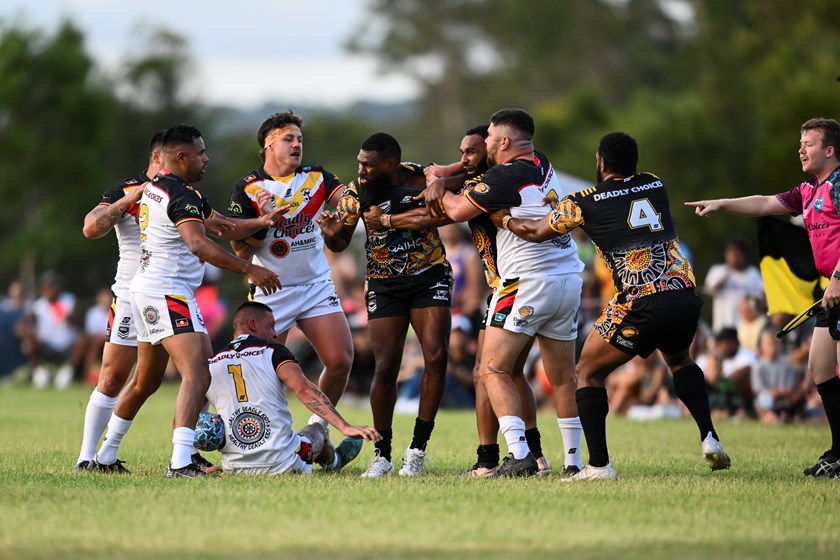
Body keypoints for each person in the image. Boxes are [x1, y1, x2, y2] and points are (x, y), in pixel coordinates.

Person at [494, 131, 730, 480]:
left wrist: (503, 219)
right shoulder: (654, 183)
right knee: (680, 359)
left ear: (601, 162)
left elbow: (534, 231)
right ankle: (709, 437)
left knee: (587, 371)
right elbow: (623, 209)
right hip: (683, 292)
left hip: (641, 299)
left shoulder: (582, 201)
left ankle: (599, 465)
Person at [363, 124, 580, 477]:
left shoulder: (494, 182)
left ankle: (497, 458)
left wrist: (388, 217)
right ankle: (541, 457)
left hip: (513, 284)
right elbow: (459, 172)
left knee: (487, 371)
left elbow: (444, 213)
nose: (463, 158)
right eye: (461, 151)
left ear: (497, 148)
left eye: (473, 151)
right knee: (513, 373)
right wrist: (442, 173)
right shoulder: (533, 164)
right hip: (552, 279)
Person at [92, 124, 285, 478]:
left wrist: (261, 221)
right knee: (198, 373)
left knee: (146, 381)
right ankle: (181, 461)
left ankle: (104, 455)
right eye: (201, 153)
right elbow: (198, 243)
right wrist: (249, 268)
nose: (206, 159)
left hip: (150, 289)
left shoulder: (158, 188)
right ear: (180, 157)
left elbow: (222, 226)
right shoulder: (182, 195)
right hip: (167, 291)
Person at [686, 117, 840, 477]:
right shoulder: (808, 191)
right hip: (832, 295)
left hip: (837, 286)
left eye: (809, 144)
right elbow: (763, 203)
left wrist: (837, 277)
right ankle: (837, 452)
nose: (800, 149)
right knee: (820, 367)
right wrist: (722, 203)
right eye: (800, 143)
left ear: (829, 150)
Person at [436, 108, 584, 477]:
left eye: (487, 138)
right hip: (568, 278)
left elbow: (454, 211)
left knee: (490, 369)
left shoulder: (504, 176)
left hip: (526, 281)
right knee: (563, 377)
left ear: (503, 142)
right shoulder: (540, 163)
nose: (484, 144)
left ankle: (519, 455)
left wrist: (435, 183)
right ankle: (573, 463)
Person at [321, 132, 452, 477]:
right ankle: (382, 455)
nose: (361, 171)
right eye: (359, 163)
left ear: (391, 165)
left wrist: (391, 219)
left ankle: (417, 451)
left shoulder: (423, 177)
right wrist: (330, 231)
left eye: (368, 165)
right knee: (386, 366)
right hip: (384, 283)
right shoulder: (355, 192)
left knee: (436, 357)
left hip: (429, 276)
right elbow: (339, 243)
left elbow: (439, 217)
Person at [227, 111, 354, 437]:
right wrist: (264, 221)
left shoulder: (318, 177)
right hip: (273, 291)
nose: (297, 144)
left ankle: (317, 428)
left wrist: (339, 222)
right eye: (288, 138)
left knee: (340, 360)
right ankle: (262, 437)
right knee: (258, 372)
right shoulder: (248, 188)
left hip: (314, 285)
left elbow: (349, 204)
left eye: (299, 138)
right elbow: (241, 251)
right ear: (269, 145)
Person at [205, 301, 379, 474]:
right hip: (284, 463)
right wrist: (343, 426)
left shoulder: (211, 363)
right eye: (271, 326)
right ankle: (335, 462)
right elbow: (304, 390)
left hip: (234, 467)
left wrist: (192, 457)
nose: (275, 334)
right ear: (252, 324)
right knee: (314, 430)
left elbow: (192, 415)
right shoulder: (273, 352)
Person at [23, 271, 84, 389]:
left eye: (53, 286)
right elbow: (29, 325)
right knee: (28, 343)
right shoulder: (38, 306)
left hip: (68, 345)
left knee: (82, 340)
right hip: (47, 346)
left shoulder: (69, 300)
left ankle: (67, 372)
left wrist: (69, 316)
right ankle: (40, 373)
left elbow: (78, 322)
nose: (50, 289)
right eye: (47, 286)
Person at [703, 237, 765, 332]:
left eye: (737, 254)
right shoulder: (718, 270)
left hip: (747, 329)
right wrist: (727, 274)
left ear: (744, 255)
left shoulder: (753, 273)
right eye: (731, 254)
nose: (734, 257)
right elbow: (709, 291)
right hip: (722, 327)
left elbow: (762, 299)